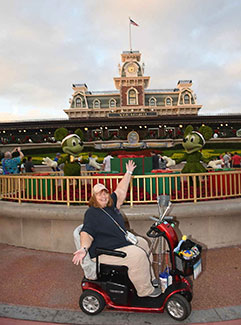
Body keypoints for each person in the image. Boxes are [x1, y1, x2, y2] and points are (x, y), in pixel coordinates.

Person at [72, 160, 161, 298]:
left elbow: (120, 190)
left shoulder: (110, 205)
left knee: (143, 244)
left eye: (105, 193)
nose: (103, 196)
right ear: (93, 197)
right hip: (105, 251)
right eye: (99, 194)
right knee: (138, 256)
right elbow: (86, 233)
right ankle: (145, 291)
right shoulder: (91, 213)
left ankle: (150, 278)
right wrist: (83, 249)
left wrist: (129, 172)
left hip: (120, 243)